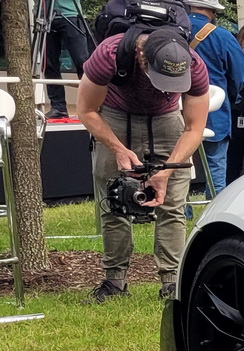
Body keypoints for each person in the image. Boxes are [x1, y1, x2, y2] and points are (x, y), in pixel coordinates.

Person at [72, 26, 210, 303]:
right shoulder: (110, 53)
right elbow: (85, 110)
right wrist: (118, 149)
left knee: (172, 202)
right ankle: (114, 281)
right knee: (114, 200)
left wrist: (166, 172)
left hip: (167, 119)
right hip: (115, 114)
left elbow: (194, 128)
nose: (165, 87)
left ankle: (172, 282)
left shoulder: (195, 65)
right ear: (142, 59)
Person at [184, 0, 244, 195]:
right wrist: (228, 97)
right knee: (216, 166)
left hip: (176, 107)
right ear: (213, 11)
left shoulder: (173, 31)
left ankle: (181, 210)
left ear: (191, 6)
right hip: (214, 109)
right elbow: (239, 75)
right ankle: (214, 208)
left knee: (180, 163)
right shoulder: (222, 36)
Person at [22, 0, 92, 120]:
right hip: (44, 15)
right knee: (49, 63)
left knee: (82, 61)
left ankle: (90, 106)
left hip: (70, 13)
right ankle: (58, 107)